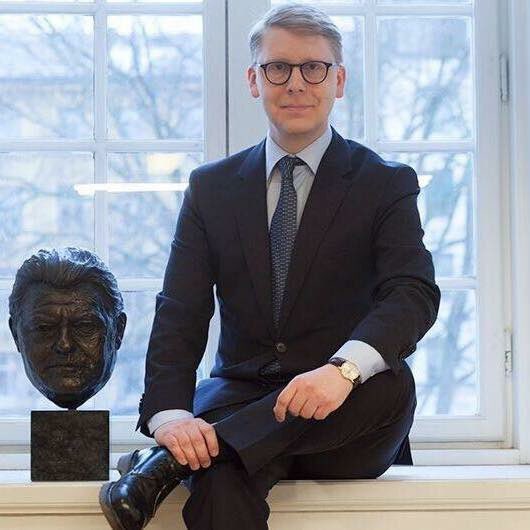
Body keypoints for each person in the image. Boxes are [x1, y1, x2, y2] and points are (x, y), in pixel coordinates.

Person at [99, 4, 441, 529]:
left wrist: (341, 371)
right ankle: (197, 451)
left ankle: (167, 465)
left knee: (389, 383)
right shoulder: (211, 188)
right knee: (220, 472)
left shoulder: (384, 183)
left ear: (339, 81)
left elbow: (412, 293)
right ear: (254, 80)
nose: (296, 83)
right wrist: (169, 416)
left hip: (345, 417)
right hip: (241, 400)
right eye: (278, 67)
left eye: (314, 68)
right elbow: (181, 311)